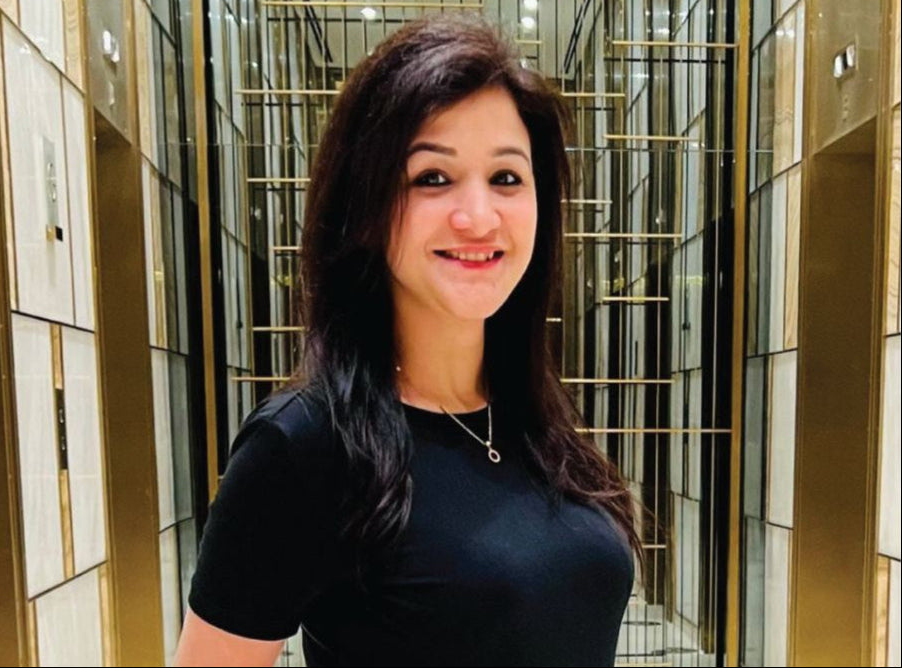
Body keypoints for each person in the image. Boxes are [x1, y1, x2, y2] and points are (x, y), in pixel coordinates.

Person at [174, 13, 641, 667]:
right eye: (432, 177)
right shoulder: (304, 447)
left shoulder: (534, 420)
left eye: (507, 178)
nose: (477, 215)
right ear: (364, 206)